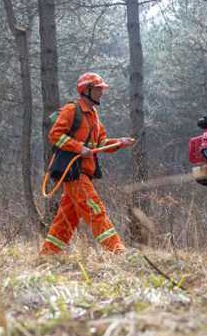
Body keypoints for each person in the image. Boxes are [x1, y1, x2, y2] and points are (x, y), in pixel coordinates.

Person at [40, 72, 135, 255]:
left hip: (84, 172)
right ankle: (117, 251)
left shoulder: (93, 115)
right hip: (73, 171)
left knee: (67, 218)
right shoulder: (71, 110)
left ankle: (48, 255)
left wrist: (119, 143)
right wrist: (77, 147)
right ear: (86, 90)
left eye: (101, 89)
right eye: (98, 89)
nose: (101, 92)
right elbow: (54, 135)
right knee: (95, 208)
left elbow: (100, 144)